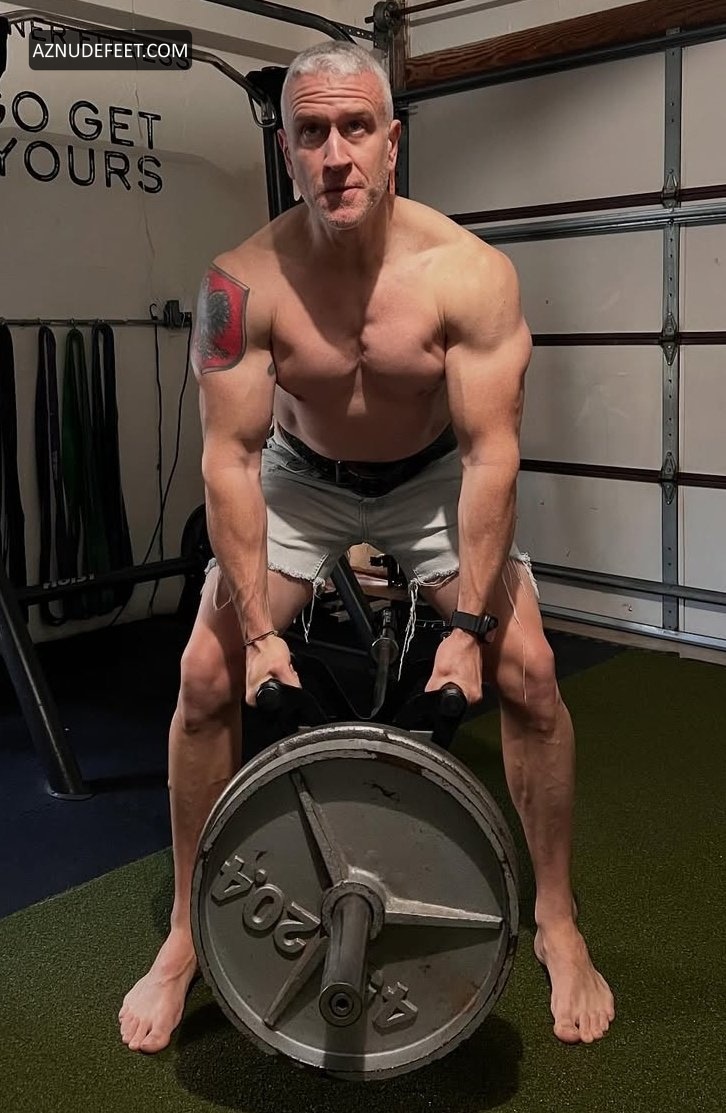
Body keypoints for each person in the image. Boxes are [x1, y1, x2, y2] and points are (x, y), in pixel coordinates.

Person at [119, 40, 615, 1054]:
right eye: (312, 132)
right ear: (288, 148)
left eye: (356, 129)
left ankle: (558, 918)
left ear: (393, 140)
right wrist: (260, 635)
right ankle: (184, 931)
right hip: (302, 480)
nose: (336, 155)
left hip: (431, 479)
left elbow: (489, 457)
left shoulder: (469, 274)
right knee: (205, 675)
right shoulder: (238, 284)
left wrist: (468, 628)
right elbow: (230, 462)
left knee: (530, 670)